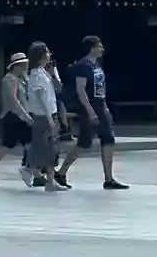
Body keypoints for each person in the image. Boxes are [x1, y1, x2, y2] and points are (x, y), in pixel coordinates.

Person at [57, 36, 128, 192]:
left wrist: (104, 107)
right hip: (90, 107)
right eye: (99, 46)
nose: (102, 49)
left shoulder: (96, 64)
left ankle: (109, 178)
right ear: (92, 48)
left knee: (108, 139)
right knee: (84, 142)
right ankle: (61, 172)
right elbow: (81, 90)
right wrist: (90, 112)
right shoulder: (83, 66)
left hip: (100, 106)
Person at [0, 52, 34, 189]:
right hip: (13, 117)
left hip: (20, 116)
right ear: (17, 65)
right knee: (6, 145)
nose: (26, 66)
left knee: (29, 143)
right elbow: (13, 100)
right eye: (24, 64)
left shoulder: (21, 79)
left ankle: (34, 173)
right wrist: (26, 117)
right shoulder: (10, 79)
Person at [24, 41, 62, 189]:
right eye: (47, 52)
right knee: (43, 146)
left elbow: (58, 89)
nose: (49, 54)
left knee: (51, 147)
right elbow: (40, 97)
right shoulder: (36, 74)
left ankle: (50, 180)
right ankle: (29, 168)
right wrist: (49, 118)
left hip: (51, 111)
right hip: (43, 114)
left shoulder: (44, 72)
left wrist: (54, 74)